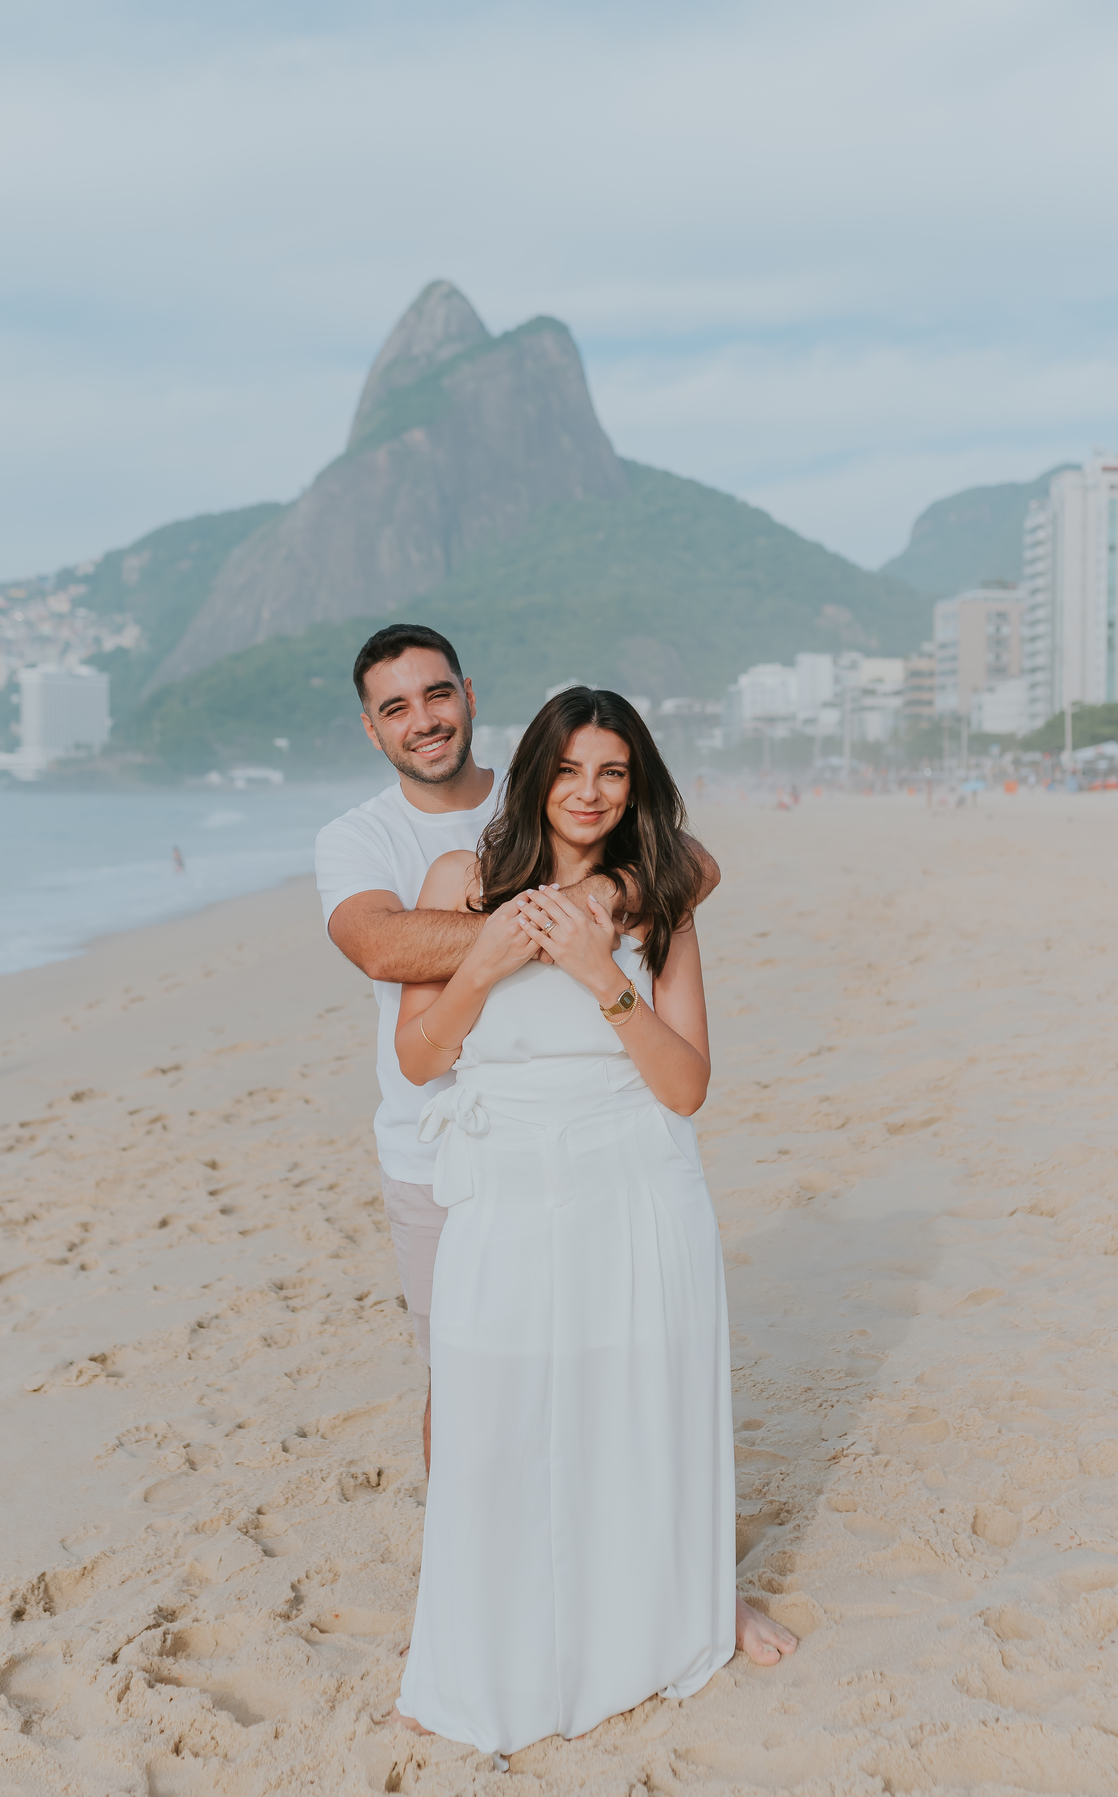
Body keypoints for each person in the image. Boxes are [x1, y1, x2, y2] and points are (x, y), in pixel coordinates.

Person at [392, 687, 797, 1755]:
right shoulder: (461, 882)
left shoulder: (658, 897)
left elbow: (687, 1086)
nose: (588, 792)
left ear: (636, 785)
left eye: (612, 772)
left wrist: (596, 975)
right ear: (535, 772)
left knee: (639, 1407)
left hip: (634, 1177)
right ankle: (508, 1642)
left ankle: (685, 1615)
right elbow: (421, 1058)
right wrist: (482, 960)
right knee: (502, 1417)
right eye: (569, 770)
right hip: (509, 1185)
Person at [315, 626, 721, 1473]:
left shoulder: (543, 787)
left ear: (469, 693)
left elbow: (689, 863)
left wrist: (600, 899)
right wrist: (514, 934)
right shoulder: (365, 839)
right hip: (443, 1148)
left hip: (612, 1158)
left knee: (617, 1384)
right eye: (396, 707)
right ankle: (471, 1576)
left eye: (436, 695)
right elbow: (382, 949)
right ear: (372, 727)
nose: (422, 719)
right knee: (466, 1384)